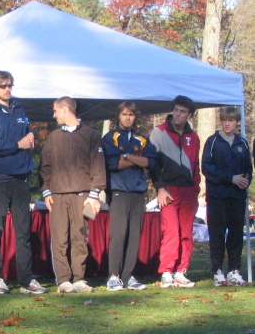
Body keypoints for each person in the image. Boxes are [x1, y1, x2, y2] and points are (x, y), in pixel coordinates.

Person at [0, 71, 47, 295]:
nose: (7, 89)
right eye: (3, 86)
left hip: (20, 179)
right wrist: (18, 144)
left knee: (23, 232)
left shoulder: (19, 109)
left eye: (10, 85)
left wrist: (32, 136)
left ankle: (26, 280)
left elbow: (27, 134)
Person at [40, 97, 106, 293]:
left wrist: (94, 195)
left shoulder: (91, 135)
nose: (53, 115)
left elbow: (98, 166)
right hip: (58, 196)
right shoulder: (53, 137)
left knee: (80, 236)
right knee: (60, 237)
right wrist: (46, 191)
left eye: (55, 111)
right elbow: (45, 167)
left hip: (83, 195)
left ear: (65, 110)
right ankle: (63, 280)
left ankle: (79, 278)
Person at [101, 101, 157, 291]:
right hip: (118, 192)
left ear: (135, 117)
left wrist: (127, 157)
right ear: (118, 115)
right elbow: (113, 164)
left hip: (138, 192)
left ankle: (127, 275)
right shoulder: (111, 137)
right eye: (124, 114)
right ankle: (113, 276)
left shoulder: (143, 139)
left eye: (131, 115)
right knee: (118, 234)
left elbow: (150, 162)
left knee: (134, 236)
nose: (127, 117)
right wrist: (136, 160)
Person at [150, 96, 200, 288]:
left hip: (188, 191)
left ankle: (181, 271)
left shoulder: (193, 137)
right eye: (176, 110)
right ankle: (167, 272)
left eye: (183, 111)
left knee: (186, 232)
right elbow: (152, 164)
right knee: (171, 231)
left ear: (190, 115)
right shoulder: (159, 132)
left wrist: (196, 189)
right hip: (168, 190)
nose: (178, 114)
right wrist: (160, 188)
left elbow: (196, 166)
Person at [202, 107, 251, 287]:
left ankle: (234, 271)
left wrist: (244, 181)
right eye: (224, 120)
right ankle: (217, 271)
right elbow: (207, 169)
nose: (227, 123)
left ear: (237, 122)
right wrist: (230, 179)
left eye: (231, 120)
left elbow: (248, 169)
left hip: (237, 198)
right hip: (217, 197)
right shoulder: (213, 141)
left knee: (236, 234)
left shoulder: (242, 144)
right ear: (221, 121)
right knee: (217, 234)